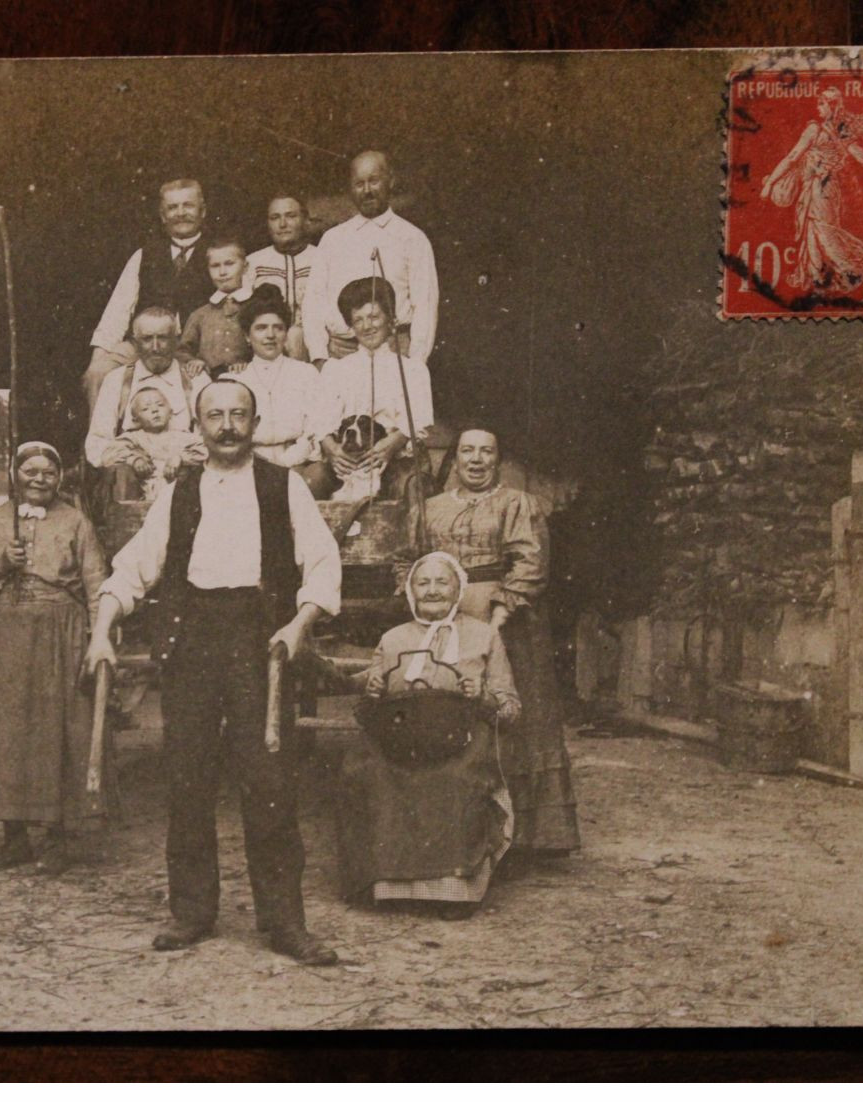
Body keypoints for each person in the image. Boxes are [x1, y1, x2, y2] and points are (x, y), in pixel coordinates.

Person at [83, 379, 343, 966]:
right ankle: (192, 912)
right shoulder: (180, 492)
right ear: (198, 424)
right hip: (193, 639)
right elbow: (133, 569)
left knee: (270, 783)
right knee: (188, 779)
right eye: (215, 415)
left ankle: (284, 922)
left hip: (260, 641)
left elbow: (323, 566)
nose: (227, 425)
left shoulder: (286, 486)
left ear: (255, 421)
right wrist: (102, 631)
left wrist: (296, 626)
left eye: (238, 415)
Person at [0, 442, 111, 874]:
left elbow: (97, 586)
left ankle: (57, 839)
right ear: (15, 474)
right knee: (6, 731)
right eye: (30, 471)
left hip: (60, 637)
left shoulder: (76, 523)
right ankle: (14, 838)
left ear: (59, 479)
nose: (39, 479)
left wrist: (100, 639)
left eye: (48, 473)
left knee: (57, 731)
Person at [423, 427, 581, 856]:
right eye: (467, 451)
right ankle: (460, 830)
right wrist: (426, 608)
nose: (476, 459)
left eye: (486, 452)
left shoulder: (516, 503)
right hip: (444, 619)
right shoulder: (430, 509)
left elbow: (530, 563)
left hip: (506, 623)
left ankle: (528, 835)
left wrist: (496, 621)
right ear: (453, 459)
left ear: (498, 459)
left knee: (513, 713)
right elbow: (410, 561)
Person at [337, 552, 520, 913]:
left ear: (458, 589)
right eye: (423, 582)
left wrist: (482, 697)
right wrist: (373, 691)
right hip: (400, 741)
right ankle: (386, 887)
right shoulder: (392, 639)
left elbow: (511, 709)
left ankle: (453, 892)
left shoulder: (484, 636)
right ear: (410, 590)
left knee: (454, 780)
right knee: (369, 772)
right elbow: (368, 710)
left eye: (442, 582)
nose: (432, 590)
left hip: (462, 740)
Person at [83, 178, 215, 410]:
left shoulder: (218, 253)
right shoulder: (145, 255)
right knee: (98, 374)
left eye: (188, 205)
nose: (180, 213)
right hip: (143, 344)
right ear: (163, 216)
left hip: (194, 346)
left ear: (202, 211)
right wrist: (100, 356)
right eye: (172, 208)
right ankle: (101, 445)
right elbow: (118, 309)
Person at [759, 87, 863, 298]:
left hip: (818, 188)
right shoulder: (842, 132)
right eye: (819, 103)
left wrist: (770, 183)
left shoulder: (814, 130)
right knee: (816, 231)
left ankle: (855, 269)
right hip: (828, 189)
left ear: (832, 106)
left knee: (823, 231)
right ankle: (818, 278)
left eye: (822, 104)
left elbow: (792, 158)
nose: (818, 108)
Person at [303, 151, 439, 368]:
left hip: (396, 351)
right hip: (340, 353)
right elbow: (313, 302)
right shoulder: (332, 239)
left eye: (374, 181)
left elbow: (425, 305)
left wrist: (416, 361)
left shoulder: (412, 238)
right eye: (359, 184)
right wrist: (320, 357)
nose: (367, 191)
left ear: (390, 181)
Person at [315, 277, 435, 500]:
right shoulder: (336, 370)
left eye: (373, 317)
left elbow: (418, 420)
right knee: (311, 480)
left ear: (391, 319)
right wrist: (333, 451)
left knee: (411, 486)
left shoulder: (412, 369)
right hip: (346, 458)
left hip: (395, 458)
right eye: (358, 320)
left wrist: (390, 445)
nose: (367, 326)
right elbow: (321, 422)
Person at [85, 306, 209, 502]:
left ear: (176, 339)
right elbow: (97, 444)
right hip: (132, 482)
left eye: (163, 338)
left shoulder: (196, 380)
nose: (155, 347)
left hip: (184, 477)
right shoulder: (117, 380)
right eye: (147, 339)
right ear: (135, 342)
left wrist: (181, 459)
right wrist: (131, 460)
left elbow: (210, 440)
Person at [223, 285, 329, 496]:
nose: (270, 335)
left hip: (297, 462)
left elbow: (315, 427)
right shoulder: (234, 380)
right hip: (248, 463)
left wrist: (285, 462)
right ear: (247, 335)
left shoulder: (306, 373)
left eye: (278, 328)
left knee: (311, 481)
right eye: (261, 328)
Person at [246, 194, 318, 361]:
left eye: (291, 216)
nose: (282, 224)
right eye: (275, 218)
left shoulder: (321, 258)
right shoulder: (253, 262)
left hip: (313, 349)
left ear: (305, 220)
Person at [107, 387, 201, 501]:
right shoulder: (135, 438)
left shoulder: (183, 437)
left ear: (171, 412)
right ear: (136, 420)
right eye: (146, 409)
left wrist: (180, 458)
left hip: (180, 496)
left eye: (160, 405)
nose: (155, 410)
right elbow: (110, 452)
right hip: (144, 498)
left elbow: (208, 451)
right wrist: (134, 459)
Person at [178, 237, 254, 378]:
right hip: (208, 383)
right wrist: (193, 361)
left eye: (229, 264)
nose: (222, 272)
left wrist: (247, 364)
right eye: (215, 266)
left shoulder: (256, 308)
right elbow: (182, 351)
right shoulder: (200, 314)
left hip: (247, 379)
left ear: (245, 267)